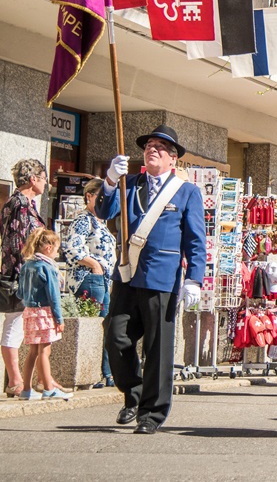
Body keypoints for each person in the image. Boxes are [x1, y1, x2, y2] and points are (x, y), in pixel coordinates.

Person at [98, 125, 207, 434]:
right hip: (128, 275)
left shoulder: (186, 192)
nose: (152, 149)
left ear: (173, 159)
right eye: (149, 145)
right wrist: (109, 180)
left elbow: (196, 240)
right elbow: (105, 211)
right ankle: (133, 395)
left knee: (158, 350)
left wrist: (194, 279)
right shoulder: (128, 184)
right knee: (116, 336)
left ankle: (151, 414)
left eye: (160, 146)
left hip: (163, 279)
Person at [61, 177, 117, 388]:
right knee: (98, 324)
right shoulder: (84, 219)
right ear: (90, 197)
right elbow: (72, 248)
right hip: (89, 278)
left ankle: (105, 372)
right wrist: (95, 265)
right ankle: (97, 373)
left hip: (102, 279)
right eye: (101, 197)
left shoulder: (100, 222)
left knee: (106, 325)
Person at [0, 158, 47, 398]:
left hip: (21, 275)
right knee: (15, 325)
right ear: (33, 179)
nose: (46, 183)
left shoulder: (22, 203)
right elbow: (22, 244)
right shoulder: (20, 204)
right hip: (20, 276)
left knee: (21, 326)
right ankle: (15, 381)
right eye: (44, 177)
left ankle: (27, 381)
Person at [17, 228, 71, 400]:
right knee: (44, 352)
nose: (57, 253)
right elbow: (53, 295)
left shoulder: (27, 265)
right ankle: (49, 388)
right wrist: (59, 318)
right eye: (56, 249)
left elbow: (19, 293)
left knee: (32, 352)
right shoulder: (47, 267)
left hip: (29, 312)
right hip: (45, 313)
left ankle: (26, 389)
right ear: (48, 248)